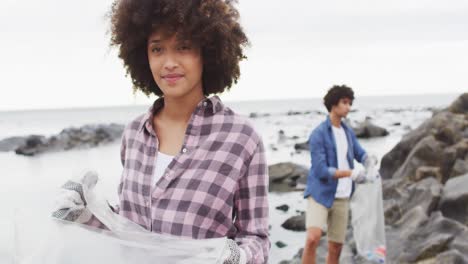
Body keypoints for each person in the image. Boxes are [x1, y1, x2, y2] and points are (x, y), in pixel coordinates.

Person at [53, 1, 270, 263]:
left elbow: (256, 237)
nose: (169, 63)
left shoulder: (241, 138)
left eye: (183, 47)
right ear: (143, 56)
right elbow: (131, 229)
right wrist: (83, 212)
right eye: (157, 49)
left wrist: (236, 257)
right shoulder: (134, 134)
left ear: (207, 52)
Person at [301, 85, 378, 264]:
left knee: (336, 247)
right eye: (344, 102)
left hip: (342, 196)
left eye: (350, 103)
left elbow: (360, 153)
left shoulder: (348, 132)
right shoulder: (318, 134)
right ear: (333, 104)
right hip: (320, 194)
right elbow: (320, 170)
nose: (348, 107)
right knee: (313, 238)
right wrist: (350, 174)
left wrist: (369, 160)